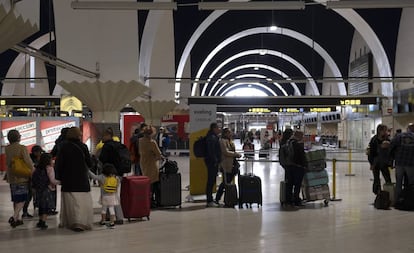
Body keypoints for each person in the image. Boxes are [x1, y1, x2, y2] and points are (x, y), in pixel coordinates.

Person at [55, 127, 94, 232]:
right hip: (81, 178)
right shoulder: (83, 146)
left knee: (70, 202)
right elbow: (89, 163)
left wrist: (58, 177)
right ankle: (81, 222)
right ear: (78, 135)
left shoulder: (63, 147)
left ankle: (71, 222)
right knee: (81, 202)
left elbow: (59, 164)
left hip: (68, 179)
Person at [5, 129, 35, 228]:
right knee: (22, 198)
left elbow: (8, 162)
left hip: (12, 176)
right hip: (22, 176)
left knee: (16, 198)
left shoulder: (7, 148)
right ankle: (14, 216)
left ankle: (18, 219)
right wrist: (33, 169)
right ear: (18, 137)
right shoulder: (22, 148)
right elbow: (27, 160)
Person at [99, 127, 126, 224]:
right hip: (119, 174)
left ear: (108, 135)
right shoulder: (118, 145)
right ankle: (117, 217)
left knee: (106, 194)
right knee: (115, 196)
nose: (101, 138)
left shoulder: (106, 146)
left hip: (108, 174)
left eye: (103, 136)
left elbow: (102, 159)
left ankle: (113, 217)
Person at [32, 153, 60, 230]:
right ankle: (43, 222)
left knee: (41, 206)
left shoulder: (37, 168)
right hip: (47, 190)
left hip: (39, 190)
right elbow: (52, 180)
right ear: (48, 160)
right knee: (46, 207)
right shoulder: (50, 168)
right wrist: (60, 182)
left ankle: (40, 221)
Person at [215, 128, 241, 205]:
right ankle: (218, 198)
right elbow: (225, 152)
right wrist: (236, 154)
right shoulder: (222, 141)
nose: (231, 134)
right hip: (225, 164)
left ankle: (229, 197)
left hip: (232, 164)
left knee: (227, 182)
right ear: (225, 133)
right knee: (225, 182)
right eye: (229, 132)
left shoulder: (230, 141)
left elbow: (232, 150)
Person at [88, 163, 120, 228]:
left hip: (104, 196)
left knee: (104, 209)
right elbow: (117, 185)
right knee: (111, 209)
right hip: (112, 196)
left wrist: (88, 171)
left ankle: (103, 221)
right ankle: (112, 222)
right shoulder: (116, 177)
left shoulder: (102, 176)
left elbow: (94, 177)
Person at [139, 125, 163, 208]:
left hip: (143, 163)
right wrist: (156, 156)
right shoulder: (152, 142)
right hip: (152, 164)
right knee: (153, 183)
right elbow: (159, 155)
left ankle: (146, 200)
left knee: (146, 182)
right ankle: (153, 201)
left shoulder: (140, 141)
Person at [390, 123, 414, 201]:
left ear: (408, 128)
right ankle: (410, 199)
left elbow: (391, 145)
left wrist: (393, 158)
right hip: (410, 163)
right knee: (411, 182)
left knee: (398, 182)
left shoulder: (399, 136)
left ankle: (397, 200)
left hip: (399, 162)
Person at [284, 130, 307, 207]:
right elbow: (302, 157)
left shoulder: (287, 143)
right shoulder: (297, 144)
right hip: (298, 167)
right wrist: (305, 166)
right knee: (297, 185)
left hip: (289, 167)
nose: (302, 137)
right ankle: (296, 200)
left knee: (289, 184)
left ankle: (288, 201)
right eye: (302, 136)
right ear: (299, 136)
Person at [368, 124, 392, 195]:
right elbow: (371, 153)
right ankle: (378, 194)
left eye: (386, 130)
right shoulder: (374, 140)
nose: (385, 132)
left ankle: (389, 193)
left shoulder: (387, 139)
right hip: (376, 162)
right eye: (384, 130)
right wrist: (371, 163)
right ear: (379, 131)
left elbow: (391, 151)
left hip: (384, 163)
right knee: (376, 179)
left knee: (387, 178)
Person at [204, 122, 222, 207]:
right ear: (214, 128)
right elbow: (212, 151)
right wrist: (215, 161)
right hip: (212, 162)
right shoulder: (212, 137)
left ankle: (210, 199)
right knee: (210, 181)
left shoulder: (212, 136)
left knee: (211, 180)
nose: (219, 129)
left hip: (212, 162)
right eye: (218, 128)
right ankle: (209, 200)